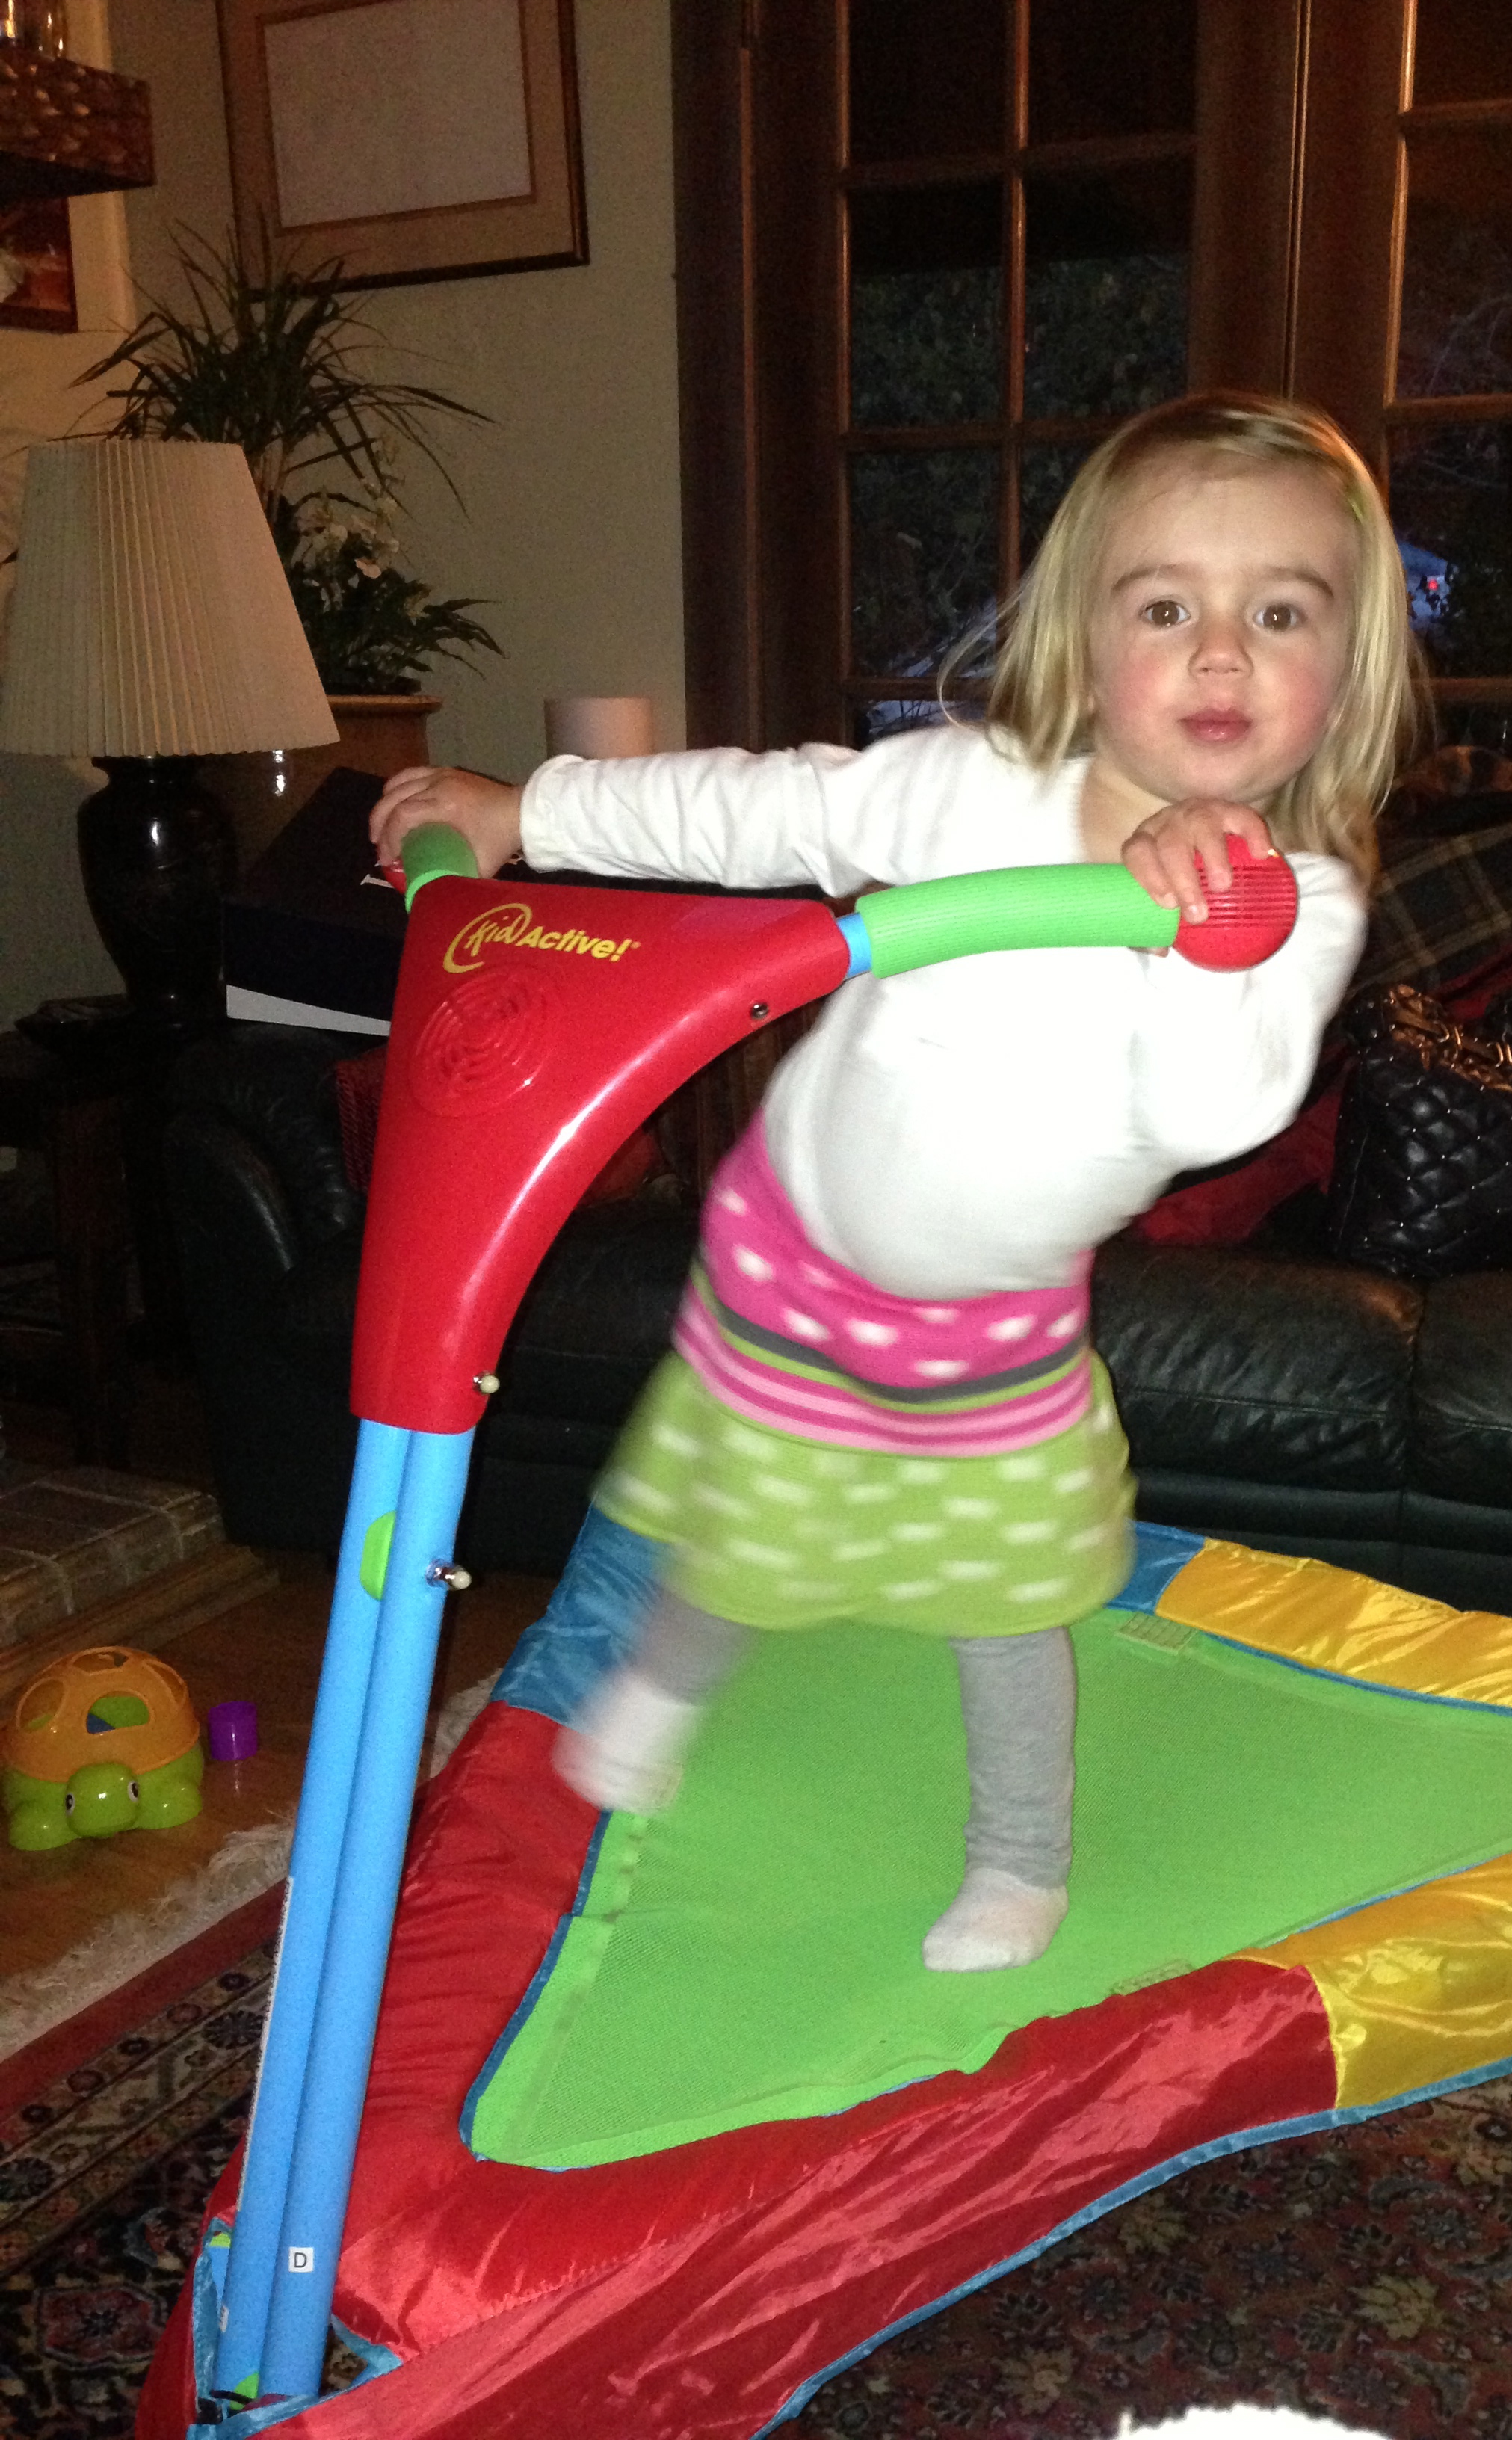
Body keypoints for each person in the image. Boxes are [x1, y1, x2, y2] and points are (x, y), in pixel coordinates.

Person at [370, 389, 1419, 1975]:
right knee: (748, 1502)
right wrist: (529, 812)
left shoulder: (1297, 895)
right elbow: (763, 808)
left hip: (987, 1324)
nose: (1222, 656)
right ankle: (662, 1688)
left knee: (1005, 1601)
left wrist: (1204, 941)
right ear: (1085, 637)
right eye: (1166, 609)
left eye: (1280, 613)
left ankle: (1020, 1860)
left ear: (1346, 668)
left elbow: (1221, 1107)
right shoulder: (966, 786)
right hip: (792, 1243)